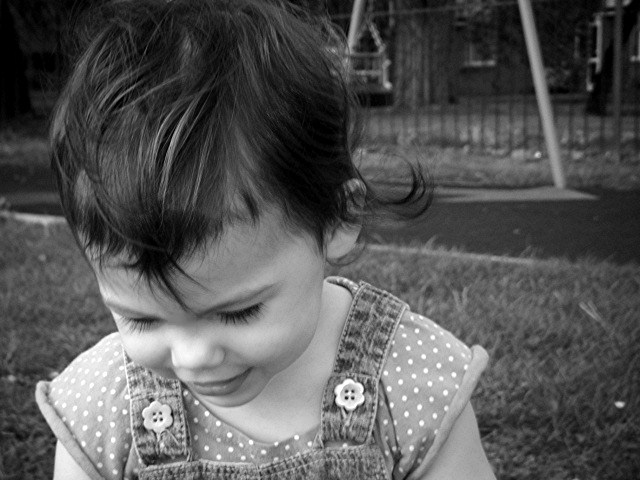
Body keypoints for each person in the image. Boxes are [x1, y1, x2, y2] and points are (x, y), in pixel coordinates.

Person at [36, 1, 495, 479]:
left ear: (337, 219)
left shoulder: (408, 383)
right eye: (142, 320)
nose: (193, 358)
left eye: (238, 312)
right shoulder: (105, 409)